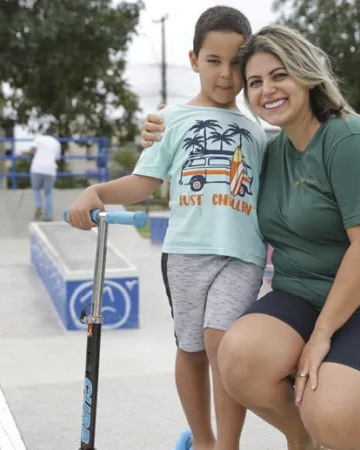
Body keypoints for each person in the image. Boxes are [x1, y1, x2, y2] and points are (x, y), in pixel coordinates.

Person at [139, 24, 360, 450]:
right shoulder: (269, 152)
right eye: (255, 82)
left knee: (332, 413)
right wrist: (167, 126)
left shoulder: (349, 139)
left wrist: (322, 335)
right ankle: (301, 439)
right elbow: (207, 158)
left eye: (280, 75)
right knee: (236, 358)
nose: (267, 90)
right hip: (301, 297)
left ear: (307, 74)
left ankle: (348, 435)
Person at [65, 7, 268, 450]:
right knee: (192, 349)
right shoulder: (171, 120)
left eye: (236, 63)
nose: (225, 74)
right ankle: (204, 439)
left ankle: (228, 446)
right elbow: (144, 182)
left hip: (242, 254)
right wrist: (95, 191)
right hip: (185, 252)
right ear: (194, 60)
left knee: (221, 344)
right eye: (214, 61)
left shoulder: (260, 133)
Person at [28, 125, 62, 221]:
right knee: (48, 193)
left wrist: (31, 155)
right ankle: (49, 215)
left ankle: (39, 206)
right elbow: (57, 158)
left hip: (37, 168)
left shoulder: (39, 139)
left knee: (36, 189)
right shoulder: (56, 143)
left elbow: (32, 150)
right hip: (50, 169)